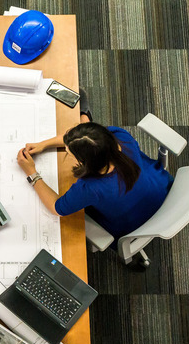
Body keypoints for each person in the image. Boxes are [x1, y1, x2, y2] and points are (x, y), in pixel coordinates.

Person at [16, 89, 173, 246]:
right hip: (162, 190)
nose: (66, 150)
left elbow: (56, 208)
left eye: (69, 152)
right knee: (81, 103)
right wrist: (43, 145)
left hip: (133, 225)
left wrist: (32, 173)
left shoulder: (90, 188)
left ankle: (85, 115)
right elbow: (86, 139)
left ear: (86, 162)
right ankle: (85, 115)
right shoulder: (120, 137)